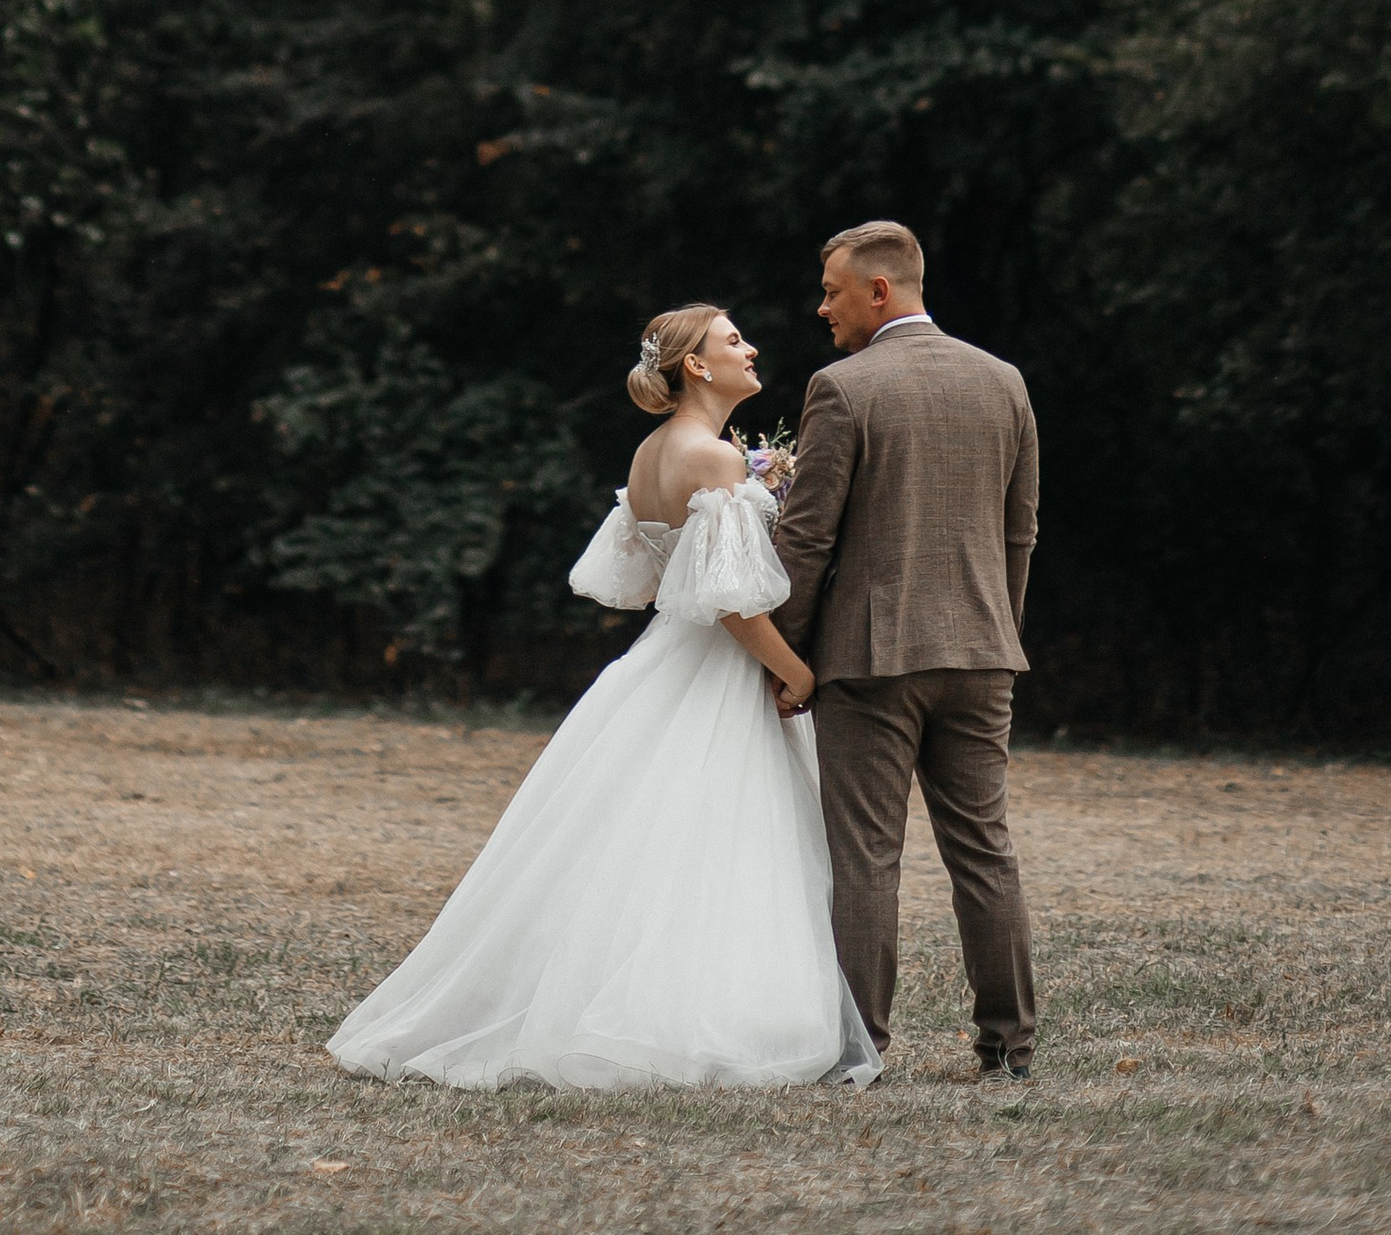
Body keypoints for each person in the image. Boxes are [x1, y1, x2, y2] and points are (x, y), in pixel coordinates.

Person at [327, 305, 876, 1092]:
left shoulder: (653, 451)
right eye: (733, 341)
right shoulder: (715, 459)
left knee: (645, 839)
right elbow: (730, 604)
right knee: (715, 840)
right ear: (696, 365)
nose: (751, 348)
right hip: (715, 671)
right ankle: (698, 1017)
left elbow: (649, 583)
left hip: (662, 662)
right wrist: (797, 672)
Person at [771, 219, 1040, 1081]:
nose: (823, 308)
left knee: (866, 859)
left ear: (878, 290)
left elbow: (807, 539)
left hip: (871, 658)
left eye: (833, 292)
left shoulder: (843, 388)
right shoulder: (1004, 381)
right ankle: (1009, 1046)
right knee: (985, 851)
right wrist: (996, 628)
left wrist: (783, 655)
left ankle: (860, 1051)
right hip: (983, 652)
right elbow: (1020, 532)